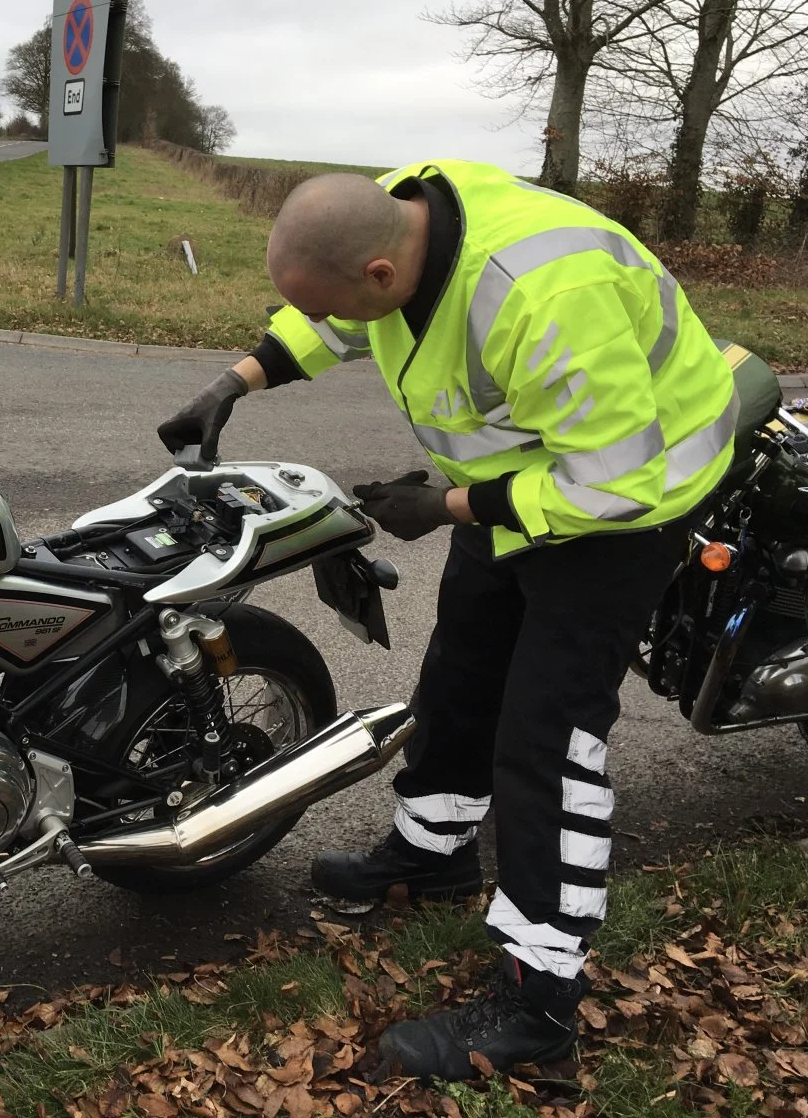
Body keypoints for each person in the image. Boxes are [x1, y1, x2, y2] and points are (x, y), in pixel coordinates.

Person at [156, 162, 736, 1080]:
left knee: (549, 736)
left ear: (384, 274)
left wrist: (447, 508)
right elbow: (332, 314)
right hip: (526, 476)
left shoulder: (544, 296)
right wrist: (238, 379)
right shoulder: (398, 213)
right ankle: (434, 853)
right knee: (461, 674)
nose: (337, 320)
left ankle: (541, 1000)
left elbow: (611, 484)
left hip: (630, 497)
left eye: (346, 301)